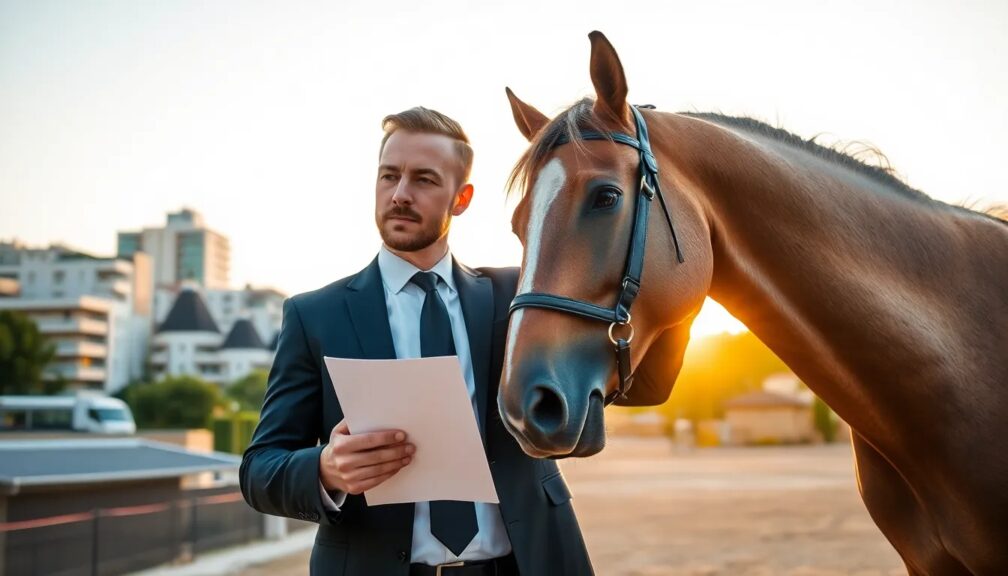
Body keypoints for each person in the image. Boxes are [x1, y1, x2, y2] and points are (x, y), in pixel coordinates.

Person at [240, 106, 593, 576]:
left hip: (526, 564)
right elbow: (259, 469)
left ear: (461, 198)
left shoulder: (518, 296)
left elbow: (599, 388)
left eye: (424, 179)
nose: (400, 194)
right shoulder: (314, 315)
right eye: (389, 176)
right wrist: (325, 469)